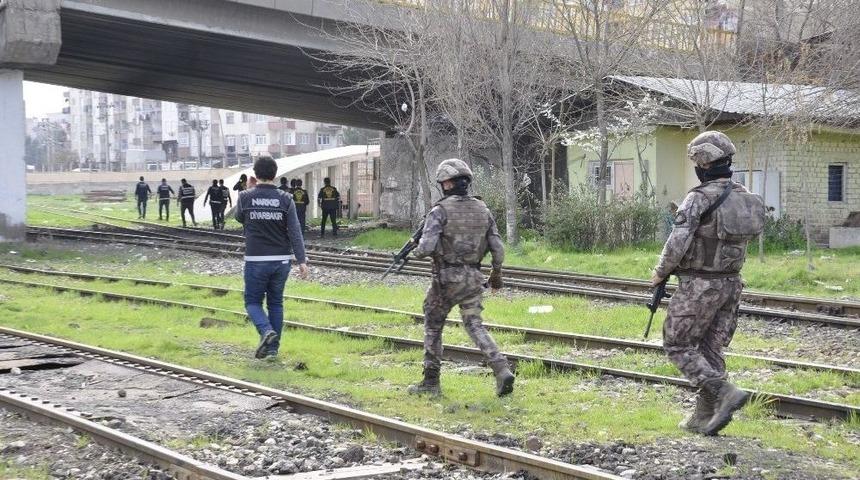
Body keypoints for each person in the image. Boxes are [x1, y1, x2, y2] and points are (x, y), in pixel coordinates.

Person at [651, 131, 765, 436]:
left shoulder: (698, 198)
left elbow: (678, 241)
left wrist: (660, 272)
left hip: (700, 286)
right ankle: (704, 416)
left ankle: (724, 391)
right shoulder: (745, 197)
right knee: (711, 349)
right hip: (731, 286)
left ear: (702, 163)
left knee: (676, 343)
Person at [408, 159, 514, 398]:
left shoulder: (439, 211)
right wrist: (496, 274)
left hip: (445, 281)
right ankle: (501, 369)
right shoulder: (483, 210)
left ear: (447, 183)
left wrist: (415, 251)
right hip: (473, 279)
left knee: (433, 324)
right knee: (474, 324)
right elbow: (498, 248)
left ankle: (431, 381)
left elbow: (425, 248)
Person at [235, 156, 309, 359]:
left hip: (256, 260)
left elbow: (239, 217)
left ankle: (266, 330)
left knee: (252, 302)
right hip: (281, 261)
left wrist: (248, 189)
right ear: (275, 174)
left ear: (255, 174)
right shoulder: (286, 198)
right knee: (275, 303)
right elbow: (295, 231)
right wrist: (302, 260)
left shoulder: (245, 197)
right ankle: (272, 350)